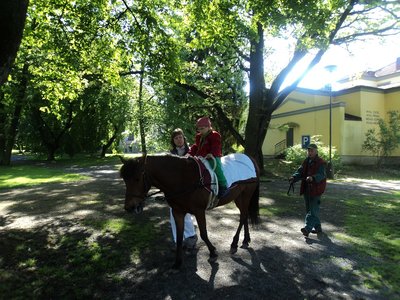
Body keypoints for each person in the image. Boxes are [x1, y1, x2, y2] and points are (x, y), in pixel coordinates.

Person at [289, 143, 327, 237]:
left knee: (313, 210)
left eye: (312, 151)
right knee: (310, 209)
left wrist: (313, 177)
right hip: (307, 189)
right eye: (308, 151)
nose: (310, 152)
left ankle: (307, 228)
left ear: (316, 151)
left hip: (316, 190)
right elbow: (300, 171)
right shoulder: (306, 161)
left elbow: (322, 175)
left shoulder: (321, 162)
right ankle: (318, 228)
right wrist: (294, 177)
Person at [169, 128, 198, 249]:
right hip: (175, 188)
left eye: (180, 137)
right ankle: (177, 240)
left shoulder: (191, 150)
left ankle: (191, 236)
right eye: (176, 138)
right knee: (173, 213)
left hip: (190, 186)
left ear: (183, 138)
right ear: (173, 141)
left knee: (186, 212)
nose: (179, 139)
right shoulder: (171, 154)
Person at [188, 116, 228, 198]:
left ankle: (223, 185)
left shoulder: (214, 135)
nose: (200, 131)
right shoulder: (199, 136)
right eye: (199, 129)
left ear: (208, 127)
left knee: (216, 166)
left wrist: (212, 153)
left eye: (202, 128)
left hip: (212, 156)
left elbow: (216, 146)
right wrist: (190, 153)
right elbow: (196, 146)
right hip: (201, 157)